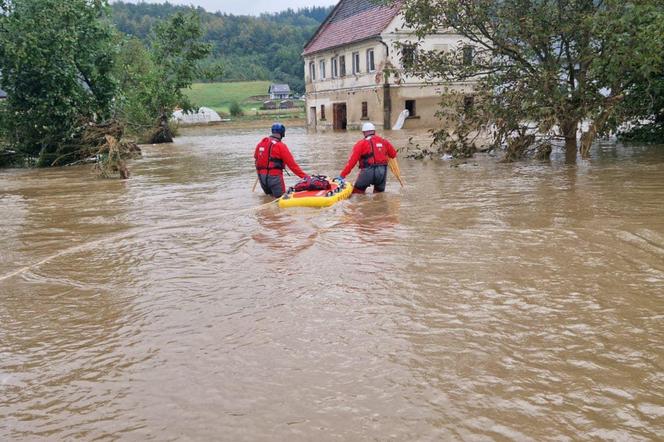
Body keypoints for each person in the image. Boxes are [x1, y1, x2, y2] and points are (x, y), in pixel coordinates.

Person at [336, 122, 397, 194]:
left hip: (368, 172)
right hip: (382, 172)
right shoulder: (384, 141)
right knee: (379, 196)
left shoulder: (361, 144)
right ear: (374, 131)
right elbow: (393, 154)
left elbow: (352, 162)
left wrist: (342, 175)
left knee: (357, 194)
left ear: (364, 133)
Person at [255, 123, 309, 198]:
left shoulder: (261, 143)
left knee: (270, 198)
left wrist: (260, 173)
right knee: (280, 199)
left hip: (262, 178)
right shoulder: (280, 146)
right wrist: (306, 177)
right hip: (274, 178)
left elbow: (256, 159)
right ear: (282, 133)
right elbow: (292, 165)